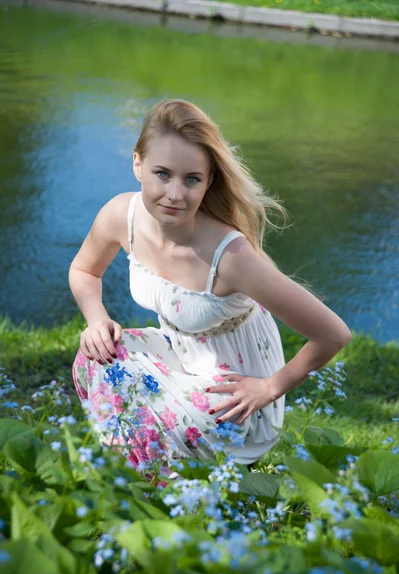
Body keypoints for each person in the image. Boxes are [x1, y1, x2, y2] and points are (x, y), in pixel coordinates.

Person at [70, 99, 352, 476]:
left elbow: (333, 334)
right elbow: (84, 271)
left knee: (158, 417)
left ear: (208, 181)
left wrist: (269, 388)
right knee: (95, 356)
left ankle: (167, 493)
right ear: (137, 164)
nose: (175, 194)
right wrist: (96, 319)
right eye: (162, 174)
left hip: (233, 392)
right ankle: (132, 478)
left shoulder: (230, 255)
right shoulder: (122, 215)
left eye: (191, 179)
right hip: (180, 356)